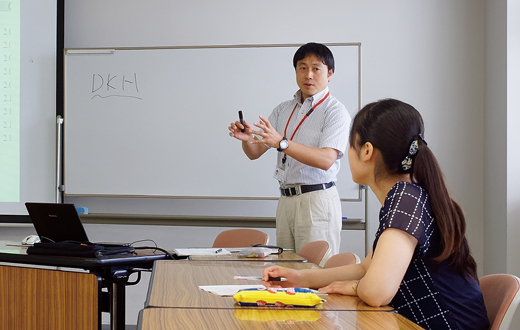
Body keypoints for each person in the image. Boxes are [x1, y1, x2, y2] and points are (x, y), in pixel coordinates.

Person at [262, 99, 489, 329]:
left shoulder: (405, 198)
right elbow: (365, 268)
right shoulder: (405, 196)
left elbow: (377, 292)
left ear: (367, 151)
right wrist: (302, 279)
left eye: (351, 145)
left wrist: (354, 287)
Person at [228, 42, 351, 254]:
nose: (308, 75)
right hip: (286, 200)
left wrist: (282, 144)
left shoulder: (335, 112)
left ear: (330, 74)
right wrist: (246, 138)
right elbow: (255, 153)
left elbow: (326, 159)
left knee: (316, 273)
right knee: (285, 272)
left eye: (316, 68)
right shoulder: (284, 109)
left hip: (316, 200)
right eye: (302, 68)